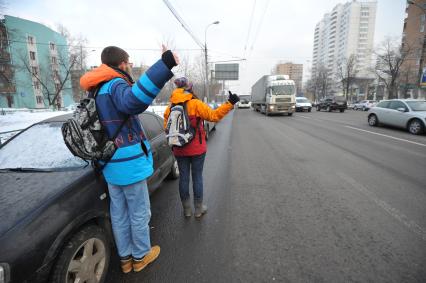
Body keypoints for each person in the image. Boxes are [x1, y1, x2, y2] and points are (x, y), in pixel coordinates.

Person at [80, 45, 178, 273]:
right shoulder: (115, 84)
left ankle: (125, 259)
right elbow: (134, 101)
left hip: (110, 162)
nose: (130, 65)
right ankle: (141, 255)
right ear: (121, 63)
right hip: (129, 163)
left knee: (120, 213)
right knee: (139, 211)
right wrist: (164, 64)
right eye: (129, 62)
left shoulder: (95, 90)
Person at [163, 77, 240, 218]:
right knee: (197, 177)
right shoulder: (196, 104)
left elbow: (166, 128)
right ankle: (198, 209)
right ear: (189, 88)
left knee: (184, 178)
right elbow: (214, 116)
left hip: (179, 149)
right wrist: (230, 103)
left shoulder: (170, 108)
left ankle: (186, 210)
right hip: (197, 148)